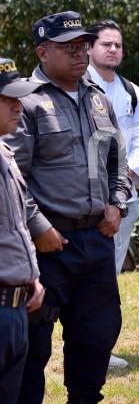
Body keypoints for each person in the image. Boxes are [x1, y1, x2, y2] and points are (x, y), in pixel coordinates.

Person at [7, 11, 131, 404]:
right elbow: (12, 176)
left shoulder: (97, 98)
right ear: (43, 52)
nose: (80, 53)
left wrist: (117, 202)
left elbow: (118, 159)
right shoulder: (26, 102)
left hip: (96, 239)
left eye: (83, 45)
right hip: (49, 246)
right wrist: (39, 225)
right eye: (69, 47)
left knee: (96, 336)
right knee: (34, 347)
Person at [86, 19, 139, 370]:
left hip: (124, 194)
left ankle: (103, 348)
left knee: (111, 272)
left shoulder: (131, 91)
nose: (113, 50)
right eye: (106, 44)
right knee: (93, 274)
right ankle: (89, 348)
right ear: (90, 49)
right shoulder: (81, 87)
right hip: (91, 197)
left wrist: (127, 179)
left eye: (118, 45)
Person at [0, 57, 44, 404]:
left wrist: (30, 276)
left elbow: (13, 227)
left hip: (15, 306)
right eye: (9, 99)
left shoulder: (5, 152)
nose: (19, 106)